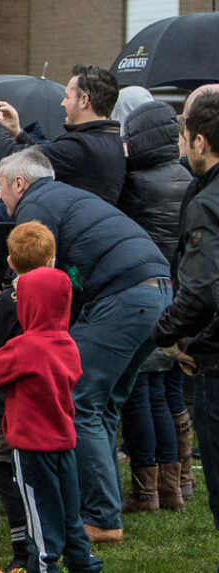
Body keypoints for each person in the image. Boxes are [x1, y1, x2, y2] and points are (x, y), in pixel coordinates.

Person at [0, 147, 172, 543]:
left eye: (2, 187)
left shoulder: (35, 206)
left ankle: (102, 518)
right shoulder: (68, 197)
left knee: (80, 400)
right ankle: (103, 504)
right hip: (156, 289)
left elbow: (35, 278)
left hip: (123, 295)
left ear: (20, 183)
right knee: (102, 405)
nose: (0, 196)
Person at [0, 267, 104, 573]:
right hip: (63, 440)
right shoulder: (67, 344)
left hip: (31, 445)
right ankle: (81, 561)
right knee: (69, 511)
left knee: (38, 511)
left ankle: (45, 565)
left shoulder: (23, 346)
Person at [116, 100, 193, 514]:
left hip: (144, 288)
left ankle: (147, 492)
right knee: (167, 390)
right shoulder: (187, 176)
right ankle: (178, 483)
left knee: (140, 394)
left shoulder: (133, 182)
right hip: (181, 291)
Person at [0, 221, 57, 573]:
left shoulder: (13, 297)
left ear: (9, 259)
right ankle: (52, 546)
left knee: (6, 474)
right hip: (51, 403)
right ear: (52, 260)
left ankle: (25, 553)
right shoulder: (60, 294)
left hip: (12, 406)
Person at [153, 91, 219, 532]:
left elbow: (201, 290)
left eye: (183, 138)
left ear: (199, 142)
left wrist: (167, 335)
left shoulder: (207, 204)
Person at [0, 65, 125, 204]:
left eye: (67, 97)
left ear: (84, 100)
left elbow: (13, 161)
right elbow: (43, 162)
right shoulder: (108, 140)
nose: (62, 103)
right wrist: (17, 133)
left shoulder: (81, 147)